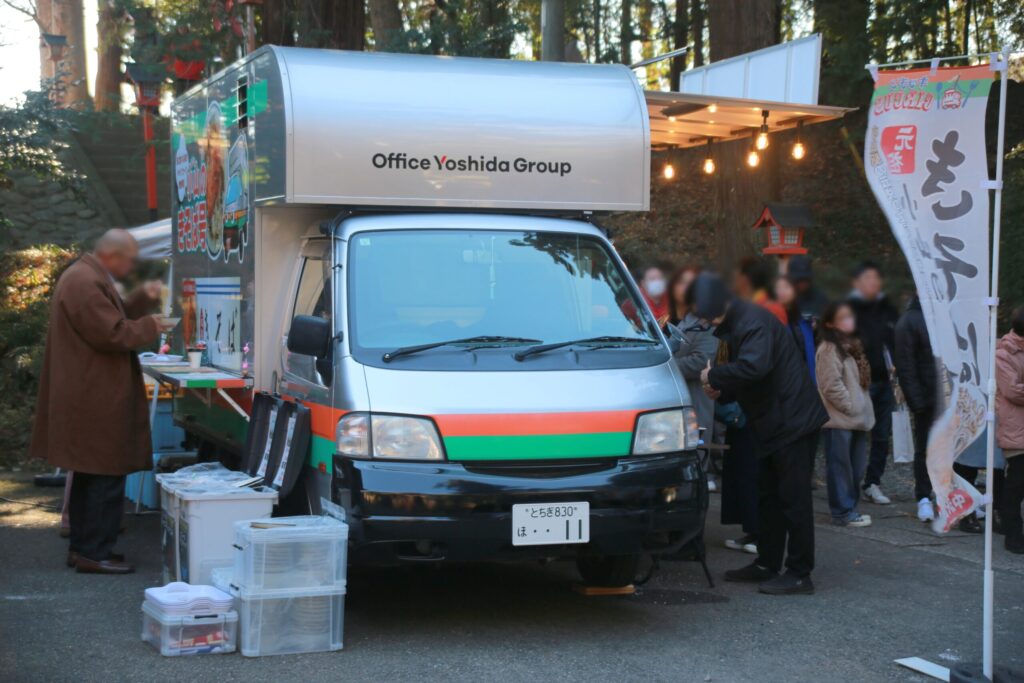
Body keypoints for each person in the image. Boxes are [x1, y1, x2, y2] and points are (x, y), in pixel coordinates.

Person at [31, 229, 174, 574]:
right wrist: (151, 326)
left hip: (89, 391)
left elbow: (116, 315)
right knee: (105, 475)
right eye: (130, 260)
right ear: (113, 255)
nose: (131, 268)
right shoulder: (84, 281)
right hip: (93, 395)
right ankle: (94, 553)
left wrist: (144, 298)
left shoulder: (86, 275)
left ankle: (85, 548)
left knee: (91, 475)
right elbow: (112, 332)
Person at [693, 273, 829, 595]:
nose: (704, 318)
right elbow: (749, 376)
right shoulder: (739, 321)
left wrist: (715, 375)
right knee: (768, 497)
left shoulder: (751, 320)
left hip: (792, 420)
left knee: (793, 500)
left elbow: (754, 367)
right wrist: (720, 390)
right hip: (772, 421)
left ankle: (799, 572)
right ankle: (767, 563)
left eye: (705, 310)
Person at [816, 302, 875, 527]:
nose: (849, 321)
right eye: (842, 318)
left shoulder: (854, 346)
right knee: (840, 467)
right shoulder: (830, 348)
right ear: (830, 323)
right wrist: (851, 406)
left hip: (857, 419)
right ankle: (842, 511)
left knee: (856, 467)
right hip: (840, 419)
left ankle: (850, 508)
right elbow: (830, 384)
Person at [846, 261, 899, 506]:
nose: (874, 283)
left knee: (881, 436)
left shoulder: (886, 307)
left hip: (884, 379)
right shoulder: (849, 308)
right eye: (868, 278)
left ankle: (872, 482)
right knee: (855, 432)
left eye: (876, 278)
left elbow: (894, 340)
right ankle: (848, 483)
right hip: (858, 381)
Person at [667, 266, 719, 490]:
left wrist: (664, 367)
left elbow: (702, 361)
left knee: (693, 458)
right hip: (672, 401)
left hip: (696, 399)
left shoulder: (708, 323)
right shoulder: (673, 318)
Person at [893, 294, 938, 523]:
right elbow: (905, 365)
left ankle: (949, 495)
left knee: (951, 448)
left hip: (946, 397)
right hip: (926, 398)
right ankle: (923, 496)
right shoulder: (910, 321)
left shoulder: (941, 315)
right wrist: (917, 401)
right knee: (925, 449)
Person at [996, 306, 1024, 554]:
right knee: (1016, 485)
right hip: (1017, 430)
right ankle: (1013, 535)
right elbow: (1013, 391)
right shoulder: (1004, 353)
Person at [775, 275, 816, 382]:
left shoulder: (806, 319)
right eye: (778, 288)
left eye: (786, 287)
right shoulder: (772, 320)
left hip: (808, 381)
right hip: (786, 384)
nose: (781, 291)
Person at [734, 256, 787, 325]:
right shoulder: (747, 304)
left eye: (736, 276)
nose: (733, 281)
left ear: (745, 280)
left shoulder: (770, 309)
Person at [786, 254, 829, 320]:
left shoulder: (820, 299)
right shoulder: (784, 300)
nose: (802, 284)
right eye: (798, 280)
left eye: (806, 279)